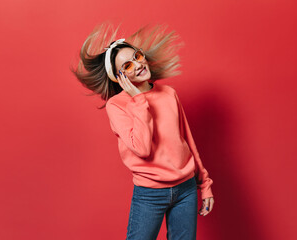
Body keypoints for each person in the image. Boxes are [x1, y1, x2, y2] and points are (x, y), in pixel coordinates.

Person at [71, 23, 214, 240]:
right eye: (127, 66)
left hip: (185, 190)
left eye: (137, 56)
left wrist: (204, 184)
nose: (137, 65)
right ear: (119, 78)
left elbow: (187, 140)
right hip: (150, 194)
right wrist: (139, 100)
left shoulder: (168, 93)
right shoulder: (117, 105)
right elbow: (143, 148)